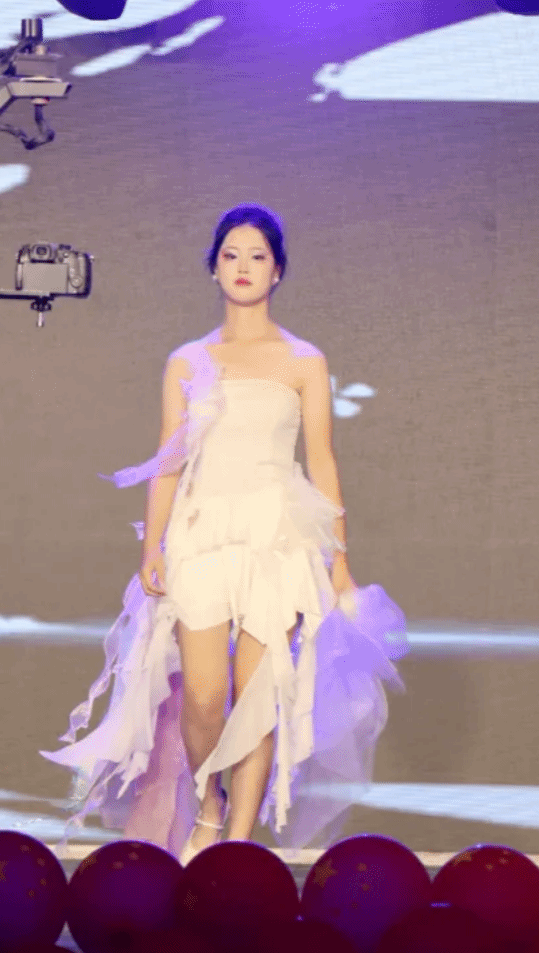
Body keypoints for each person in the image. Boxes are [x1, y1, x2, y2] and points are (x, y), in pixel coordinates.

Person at [41, 204, 407, 863]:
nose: (243, 267)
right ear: (213, 267)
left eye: (257, 256)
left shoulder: (304, 360)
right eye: (231, 255)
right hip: (201, 532)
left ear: (278, 271)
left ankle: (236, 846)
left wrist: (339, 561)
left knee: (260, 693)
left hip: (278, 537)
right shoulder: (187, 361)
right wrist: (151, 546)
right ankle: (208, 805)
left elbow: (322, 461)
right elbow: (169, 459)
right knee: (206, 697)